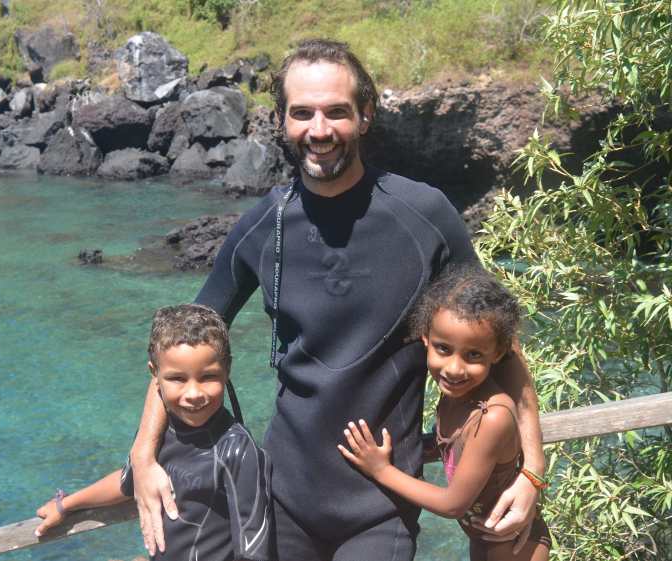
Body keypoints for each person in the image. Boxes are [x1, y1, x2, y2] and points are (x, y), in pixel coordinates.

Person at [130, 39, 545, 561]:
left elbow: (500, 344)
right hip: (281, 500)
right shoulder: (264, 225)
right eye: (302, 113)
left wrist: (532, 471)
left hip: (382, 507)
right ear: (281, 120)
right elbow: (181, 344)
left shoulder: (425, 215)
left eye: (337, 112)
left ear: (366, 115)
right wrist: (144, 455)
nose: (319, 130)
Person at [339, 265, 551, 561]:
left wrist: (381, 470)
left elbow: (453, 505)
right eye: (443, 348)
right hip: (486, 538)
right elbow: (457, 449)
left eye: (473, 355)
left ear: (498, 352)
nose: (454, 368)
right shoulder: (459, 394)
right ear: (425, 337)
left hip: (514, 547)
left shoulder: (491, 417)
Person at [35, 304, 272, 561]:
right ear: (154, 374)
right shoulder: (159, 432)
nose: (194, 393)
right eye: (177, 379)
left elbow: (254, 552)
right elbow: (127, 482)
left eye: (208, 376)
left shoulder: (237, 450)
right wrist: (65, 505)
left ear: (227, 371)